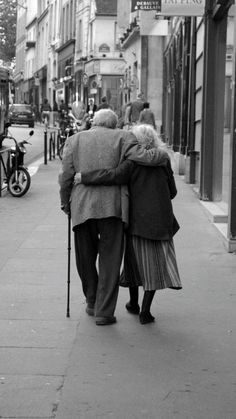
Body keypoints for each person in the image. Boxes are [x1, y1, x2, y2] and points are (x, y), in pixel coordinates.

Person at [59, 110, 169, 326]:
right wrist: (163, 154)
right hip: (114, 207)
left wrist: (65, 202)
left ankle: (91, 301)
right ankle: (104, 312)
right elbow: (145, 157)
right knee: (110, 261)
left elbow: (65, 176)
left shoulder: (74, 140)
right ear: (113, 124)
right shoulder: (124, 137)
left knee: (85, 257)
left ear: (94, 122)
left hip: (82, 206)